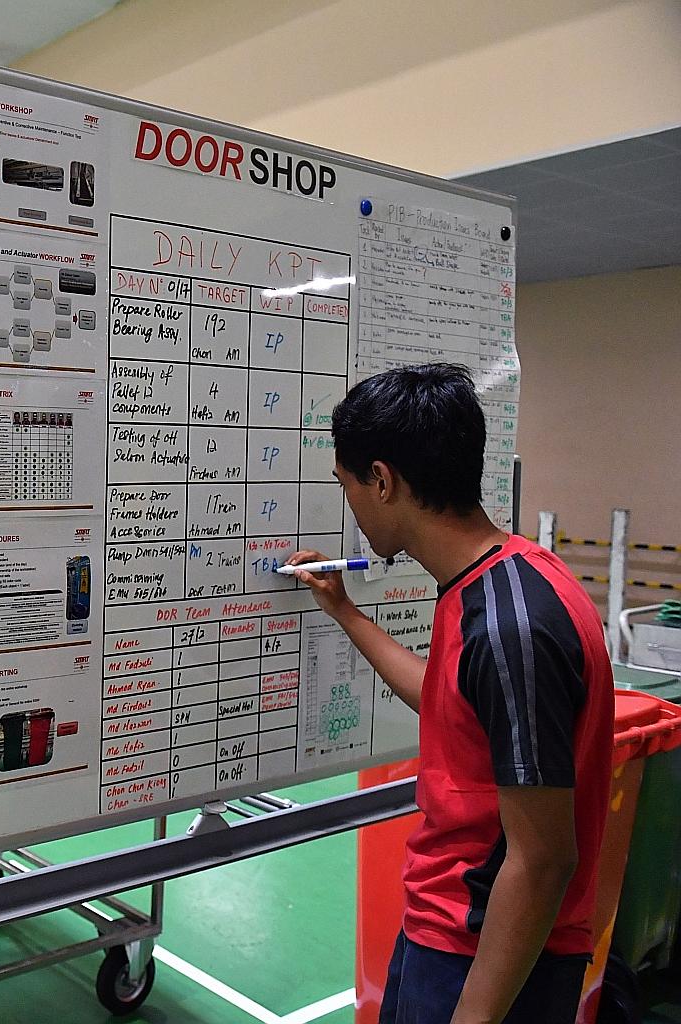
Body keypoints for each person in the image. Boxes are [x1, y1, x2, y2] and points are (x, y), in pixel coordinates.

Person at [287, 364, 613, 1024]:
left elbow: (545, 858)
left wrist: (475, 1015)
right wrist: (348, 614)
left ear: (382, 481)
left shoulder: (509, 627)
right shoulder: (498, 578)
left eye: (346, 485)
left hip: (491, 954)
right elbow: (451, 700)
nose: (348, 503)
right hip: (450, 932)